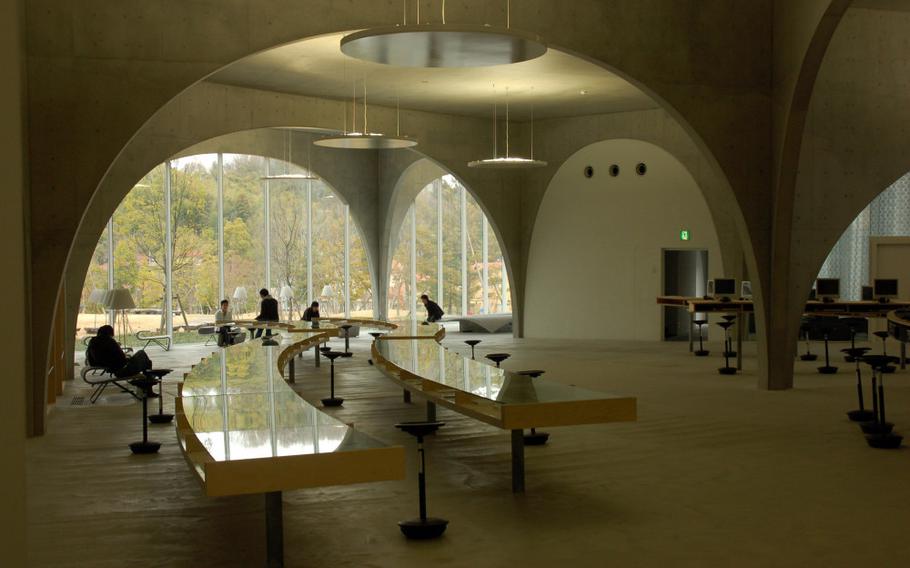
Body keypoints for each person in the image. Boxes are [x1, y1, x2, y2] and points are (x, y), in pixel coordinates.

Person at [86, 325, 152, 378]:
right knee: (142, 354)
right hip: (121, 371)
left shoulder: (92, 341)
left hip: (111, 368)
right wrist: (128, 359)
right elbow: (122, 358)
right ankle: (147, 384)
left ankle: (146, 384)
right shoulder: (110, 341)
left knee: (146, 362)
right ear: (110, 334)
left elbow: (100, 358)